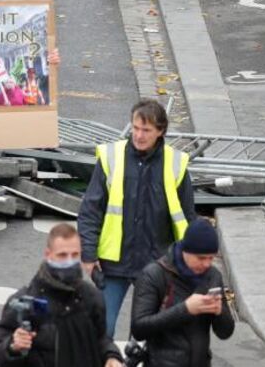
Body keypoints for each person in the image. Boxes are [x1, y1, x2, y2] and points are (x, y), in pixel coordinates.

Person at [77, 98, 196, 338]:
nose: (139, 135)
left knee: (151, 335)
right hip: (114, 263)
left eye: (146, 130)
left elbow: (187, 218)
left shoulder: (175, 163)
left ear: (160, 131)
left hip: (157, 265)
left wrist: (189, 260)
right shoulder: (112, 157)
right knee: (102, 331)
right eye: (136, 128)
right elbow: (91, 209)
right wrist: (88, 253)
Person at [0, 223, 124, 367]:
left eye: (75, 255)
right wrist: (12, 347)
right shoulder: (25, 302)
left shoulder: (91, 297)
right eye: (62, 255)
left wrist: (111, 356)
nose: (69, 261)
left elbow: (101, 339)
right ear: (48, 255)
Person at [131, 218, 235, 367]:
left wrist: (220, 312)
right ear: (185, 251)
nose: (206, 264)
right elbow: (139, 328)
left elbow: (225, 333)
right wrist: (186, 309)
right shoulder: (154, 274)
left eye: (211, 258)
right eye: (201, 258)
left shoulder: (213, 276)